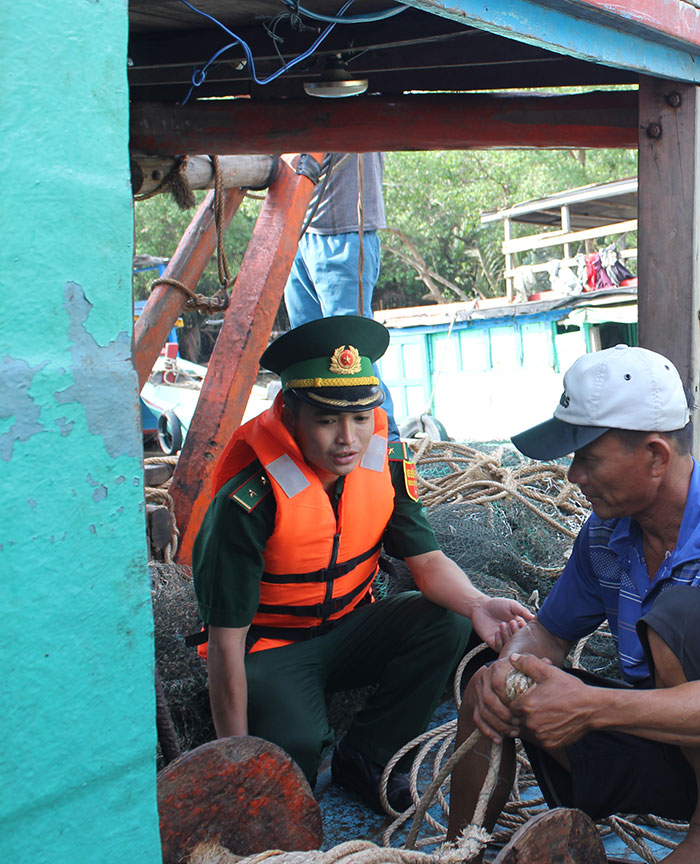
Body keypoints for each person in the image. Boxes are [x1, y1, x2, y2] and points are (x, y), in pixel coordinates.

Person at [444, 345, 700, 863]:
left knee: (674, 616)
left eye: (588, 458)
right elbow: (548, 635)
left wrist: (594, 707)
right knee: (493, 684)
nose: (574, 475)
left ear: (657, 456)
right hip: (674, 745)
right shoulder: (605, 536)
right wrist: (510, 670)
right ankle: (460, 853)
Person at [189, 315, 533, 814]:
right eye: (327, 420)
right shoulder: (249, 501)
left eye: (359, 417)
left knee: (449, 619)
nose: (347, 438)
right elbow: (224, 645)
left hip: (351, 628)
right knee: (296, 751)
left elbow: (428, 562)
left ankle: (367, 760)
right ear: (289, 415)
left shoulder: (384, 463)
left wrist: (479, 604)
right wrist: (237, 760)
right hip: (272, 649)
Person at [286, 152, 398, 433]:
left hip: (344, 233)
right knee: (308, 352)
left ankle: (385, 446)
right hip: (297, 231)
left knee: (351, 356)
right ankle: (322, 446)